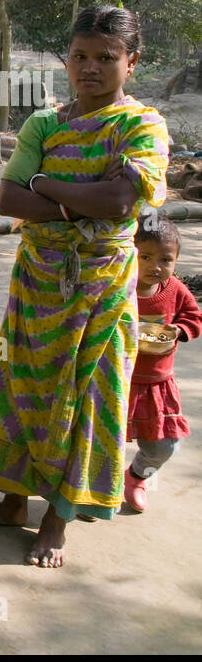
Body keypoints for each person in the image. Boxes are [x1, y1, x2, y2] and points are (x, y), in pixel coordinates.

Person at [0, 5, 169, 566]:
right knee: (20, 389)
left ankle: (57, 518)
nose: (90, 68)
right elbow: (8, 200)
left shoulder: (142, 127)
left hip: (102, 290)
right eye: (79, 56)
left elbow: (121, 201)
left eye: (106, 58)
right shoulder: (44, 124)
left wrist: (45, 185)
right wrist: (78, 196)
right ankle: (12, 501)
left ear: (132, 62)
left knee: (87, 400)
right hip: (37, 283)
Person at [121, 217, 199, 511]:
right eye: (146, 257)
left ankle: (138, 477)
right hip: (120, 379)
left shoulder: (175, 290)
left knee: (165, 445)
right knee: (106, 441)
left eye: (166, 259)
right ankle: (97, 491)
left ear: (176, 260)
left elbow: (194, 318)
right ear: (131, 253)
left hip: (157, 383)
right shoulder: (120, 287)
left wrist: (179, 330)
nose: (156, 266)